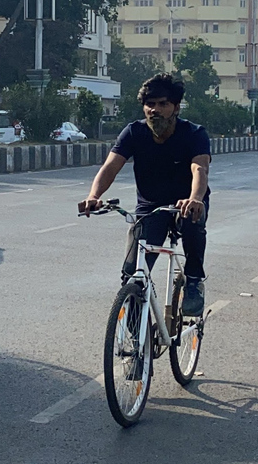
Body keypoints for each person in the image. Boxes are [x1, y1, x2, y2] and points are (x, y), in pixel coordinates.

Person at [79, 73, 211, 317]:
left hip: (186, 204)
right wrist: (93, 195)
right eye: (150, 104)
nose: (155, 110)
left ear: (176, 107)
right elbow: (110, 167)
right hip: (150, 209)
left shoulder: (194, 134)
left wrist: (195, 198)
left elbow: (199, 168)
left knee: (192, 222)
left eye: (163, 104)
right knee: (132, 275)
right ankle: (136, 345)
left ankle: (193, 282)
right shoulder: (133, 133)